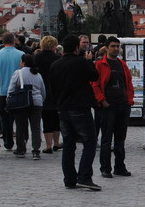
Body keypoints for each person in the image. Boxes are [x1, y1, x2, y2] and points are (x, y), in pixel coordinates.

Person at [48, 35, 101, 191]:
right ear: (77, 48)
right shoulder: (81, 63)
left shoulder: (55, 65)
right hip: (79, 107)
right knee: (90, 141)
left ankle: (69, 179)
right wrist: (89, 61)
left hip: (62, 108)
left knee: (69, 144)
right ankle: (84, 176)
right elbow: (94, 76)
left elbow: (52, 88)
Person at [92, 36, 134, 178]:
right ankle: (105, 168)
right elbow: (94, 84)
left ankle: (119, 166)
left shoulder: (122, 64)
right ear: (107, 47)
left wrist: (129, 100)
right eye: (113, 46)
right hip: (107, 106)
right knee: (106, 138)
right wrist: (102, 101)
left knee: (120, 138)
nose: (116, 49)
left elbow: (128, 83)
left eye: (118, 46)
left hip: (122, 105)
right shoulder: (100, 64)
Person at [7, 54, 46, 159]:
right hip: (37, 102)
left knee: (20, 126)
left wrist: (9, 100)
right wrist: (40, 100)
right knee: (36, 127)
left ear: (23, 62)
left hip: (22, 103)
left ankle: (21, 149)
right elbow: (43, 91)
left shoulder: (18, 73)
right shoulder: (38, 74)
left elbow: (11, 89)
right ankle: (36, 150)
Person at [0, 33, 24, 152]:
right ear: (14, 41)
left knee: (5, 119)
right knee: (19, 118)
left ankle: (8, 141)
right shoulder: (21, 55)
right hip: (18, 91)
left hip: (1, 91)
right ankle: (21, 142)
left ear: (3, 42)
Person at [34, 36, 62, 154]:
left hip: (42, 90)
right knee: (57, 118)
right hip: (56, 90)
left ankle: (48, 145)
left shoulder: (37, 58)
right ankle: (56, 143)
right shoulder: (58, 58)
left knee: (46, 118)